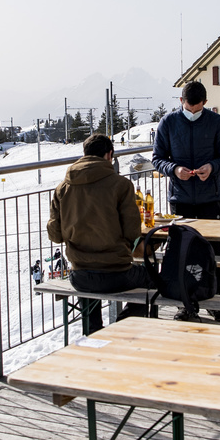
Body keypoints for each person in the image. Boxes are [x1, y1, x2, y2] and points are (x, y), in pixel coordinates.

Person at [47, 133, 155, 332]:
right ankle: (120, 328)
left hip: (80, 275)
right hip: (117, 273)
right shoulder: (121, 185)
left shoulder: (62, 188)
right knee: (154, 279)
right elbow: (132, 232)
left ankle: (93, 332)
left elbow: (55, 235)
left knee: (88, 286)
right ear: (109, 155)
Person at [152, 81, 220, 321]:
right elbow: (158, 158)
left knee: (212, 250)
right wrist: (174, 169)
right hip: (181, 199)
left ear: (205, 104)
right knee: (182, 252)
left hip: (210, 197)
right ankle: (185, 302)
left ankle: (215, 299)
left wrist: (212, 166)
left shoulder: (216, 122)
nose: (193, 113)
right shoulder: (168, 122)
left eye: (197, 110)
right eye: (189, 108)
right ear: (181, 102)